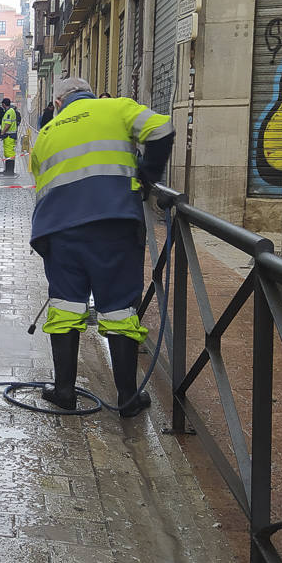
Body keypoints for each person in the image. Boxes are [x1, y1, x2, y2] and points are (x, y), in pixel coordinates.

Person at [28, 75, 174, 418]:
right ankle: (126, 398)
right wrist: (146, 176)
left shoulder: (46, 133)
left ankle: (64, 391)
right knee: (120, 308)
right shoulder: (116, 107)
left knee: (65, 305)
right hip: (114, 225)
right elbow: (162, 130)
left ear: (59, 103)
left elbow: (41, 186)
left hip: (59, 231)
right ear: (90, 94)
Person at [0, 98, 19, 174]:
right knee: (7, 152)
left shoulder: (9, 112)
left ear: (4, 104)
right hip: (9, 135)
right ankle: (7, 170)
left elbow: (8, 124)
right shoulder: (10, 111)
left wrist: (2, 132)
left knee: (9, 152)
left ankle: (10, 171)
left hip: (9, 136)